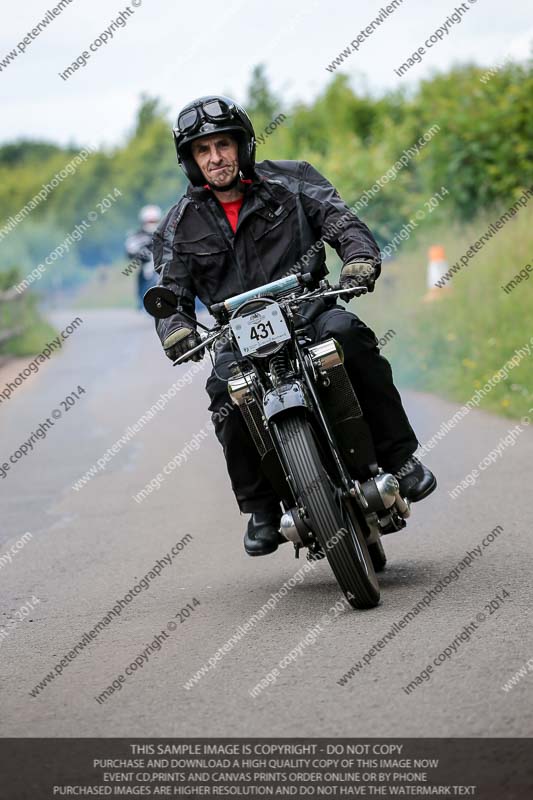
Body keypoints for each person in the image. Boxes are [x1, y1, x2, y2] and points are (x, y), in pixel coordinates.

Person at [152, 95, 436, 557]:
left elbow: (341, 221)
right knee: (225, 388)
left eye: (222, 144)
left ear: (242, 146)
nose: (215, 158)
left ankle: (401, 459)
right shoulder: (179, 225)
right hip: (238, 335)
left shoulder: (293, 179)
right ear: (190, 160)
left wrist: (359, 257)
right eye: (203, 150)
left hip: (309, 310)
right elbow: (170, 295)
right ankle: (262, 509)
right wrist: (176, 330)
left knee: (349, 335)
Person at [125, 205, 162, 308]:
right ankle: (142, 301)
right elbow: (130, 250)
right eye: (149, 222)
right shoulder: (137, 236)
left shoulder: (166, 234)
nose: (152, 224)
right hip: (148, 269)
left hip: (166, 266)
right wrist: (143, 252)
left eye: (154, 221)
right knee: (143, 276)